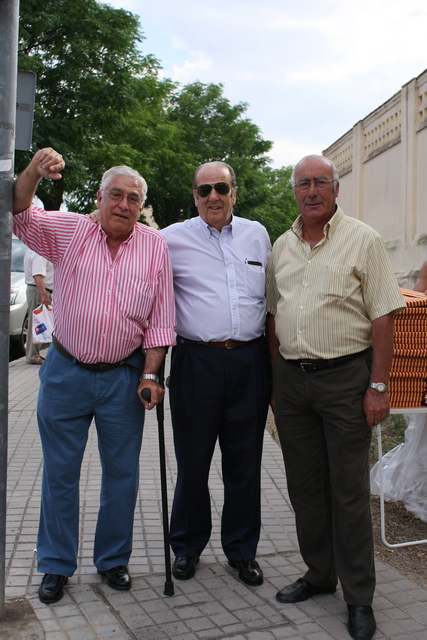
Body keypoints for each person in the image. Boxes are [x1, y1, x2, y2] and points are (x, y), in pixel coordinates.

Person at [13, 148, 176, 604]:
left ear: (141, 206)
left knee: (121, 475)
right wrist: (33, 172)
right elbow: (20, 214)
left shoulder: (154, 246)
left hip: (124, 376)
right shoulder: (70, 231)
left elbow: (161, 319)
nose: (124, 204)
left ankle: (112, 561)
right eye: (116, 195)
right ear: (100, 198)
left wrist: (151, 374)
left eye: (134, 198)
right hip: (66, 372)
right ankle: (56, 564)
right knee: (60, 475)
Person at [265, 155, 405, 640]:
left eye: (320, 182)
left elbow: (385, 317)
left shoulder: (362, 239)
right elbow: (272, 316)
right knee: (305, 489)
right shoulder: (281, 246)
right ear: (295, 191)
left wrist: (379, 386)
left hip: (346, 379)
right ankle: (319, 574)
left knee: (348, 493)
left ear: (335, 188)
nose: (311, 191)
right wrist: (275, 385)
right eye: (303, 183)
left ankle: (359, 596)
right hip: (293, 382)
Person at [161, 161, 271, 587]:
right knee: (193, 463)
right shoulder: (169, 239)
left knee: (245, 464)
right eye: (204, 189)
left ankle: (242, 552)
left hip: (249, 362)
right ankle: (187, 547)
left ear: (234, 192)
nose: (213, 195)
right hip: (195, 363)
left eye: (221, 187)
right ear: (194, 196)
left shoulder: (257, 234)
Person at [24, 249, 54, 365]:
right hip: (38, 290)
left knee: (39, 323)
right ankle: (32, 356)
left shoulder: (31, 251)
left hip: (36, 290)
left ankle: (33, 353)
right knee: (36, 323)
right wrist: (44, 295)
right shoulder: (40, 253)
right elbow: (37, 275)